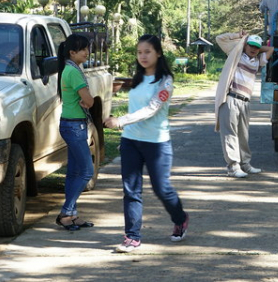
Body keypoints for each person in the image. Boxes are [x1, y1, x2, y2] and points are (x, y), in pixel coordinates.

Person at [103, 35, 189, 253]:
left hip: (156, 144)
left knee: (162, 189)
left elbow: (151, 109)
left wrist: (119, 121)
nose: (143, 56)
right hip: (131, 141)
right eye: (139, 52)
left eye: (148, 51)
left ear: (158, 53)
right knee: (131, 190)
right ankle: (132, 237)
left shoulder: (165, 81)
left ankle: (180, 218)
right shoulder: (137, 78)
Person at [214, 32, 274, 178]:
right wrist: (241, 38)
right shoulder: (236, 54)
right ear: (245, 45)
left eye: (256, 47)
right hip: (230, 97)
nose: (253, 49)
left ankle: (245, 164)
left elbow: (271, 49)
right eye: (251, 46)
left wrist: (259, 47)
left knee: (243, 135)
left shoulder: (257, 61)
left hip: (245, 101)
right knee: (230, 134)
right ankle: (233, 166)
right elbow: (219, 39)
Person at [55, 33, 96, 231]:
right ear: (72, 52)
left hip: (70, 124)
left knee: (74, 172)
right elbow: (89, 101)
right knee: (87, 170)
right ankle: (66, 212)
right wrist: (90, 101)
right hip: (74, 126)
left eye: (87, 48)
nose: (87, 52)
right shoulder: (73, 72)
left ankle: (73, 215)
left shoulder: (69, 69)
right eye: (83, 49)